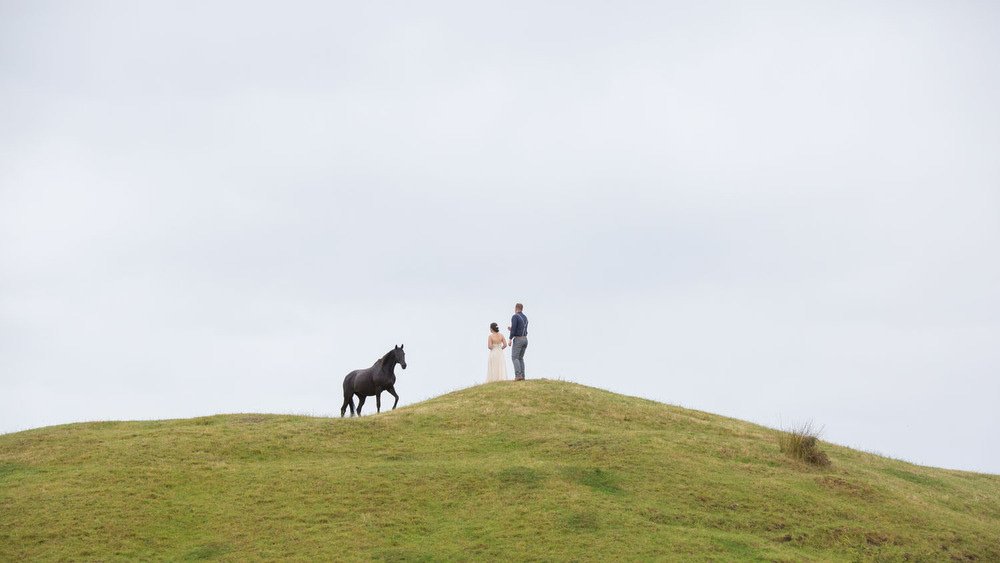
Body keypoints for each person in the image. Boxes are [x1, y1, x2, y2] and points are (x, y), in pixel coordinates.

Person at [508, 303, 528, 381]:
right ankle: (522, 376)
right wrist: (513, 329)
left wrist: (510, 339)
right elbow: (521, 329)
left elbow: (514, 330)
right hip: (525, 339)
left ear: (516, 308)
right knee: (520, 358)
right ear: (522, 309)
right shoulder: (525, 317)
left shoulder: (515, 316)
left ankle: (518, 375)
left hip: (518, 339)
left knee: (514, 357)